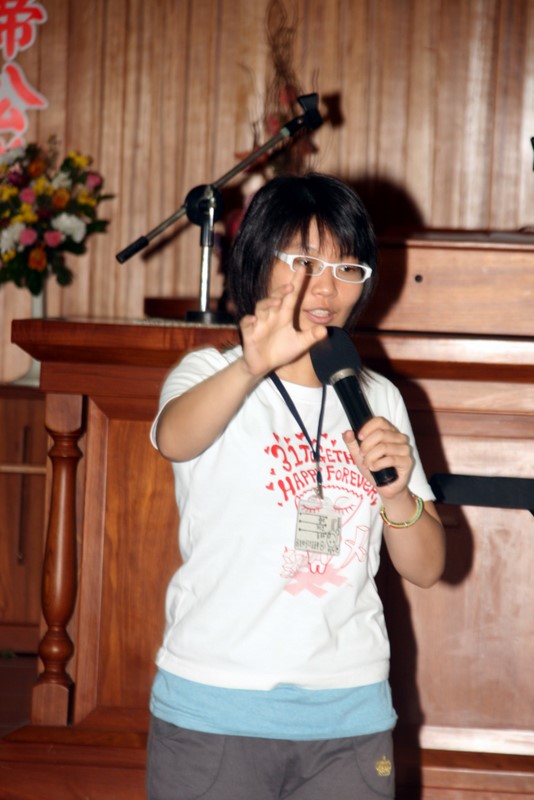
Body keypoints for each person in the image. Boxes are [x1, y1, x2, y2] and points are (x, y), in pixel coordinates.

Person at [146, 173, 446, 800]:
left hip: (349, 713)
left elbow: (426, 568)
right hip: (215, 707)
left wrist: (396, 495)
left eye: (347, 268)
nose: (326, 288)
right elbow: (174, 438)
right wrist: (252, 364)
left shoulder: (379, 397)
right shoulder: (210, 373)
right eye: (305, 262)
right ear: (260, 260)